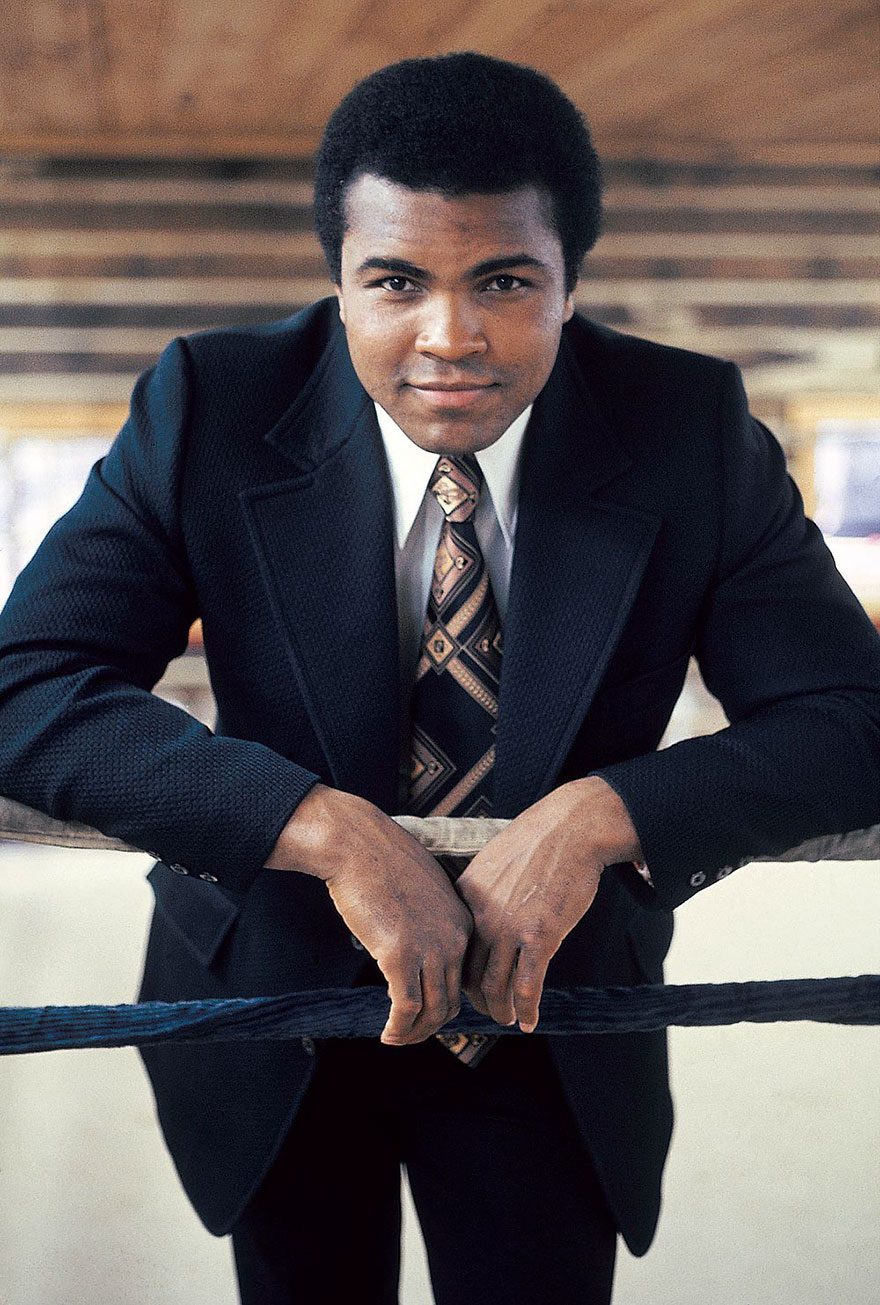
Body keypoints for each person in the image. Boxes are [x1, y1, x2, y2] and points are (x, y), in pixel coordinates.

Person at [0, 51, 878, 1305]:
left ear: (570, 284)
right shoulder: (209, 403)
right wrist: (322, 832)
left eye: (505, 281)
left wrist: (596, 817)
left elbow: (854, 720)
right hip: (277, 989)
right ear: (341, 283)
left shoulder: (690, 429)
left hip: (551, 1002)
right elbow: (24, 682)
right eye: (397, 281)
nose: (449, 337)